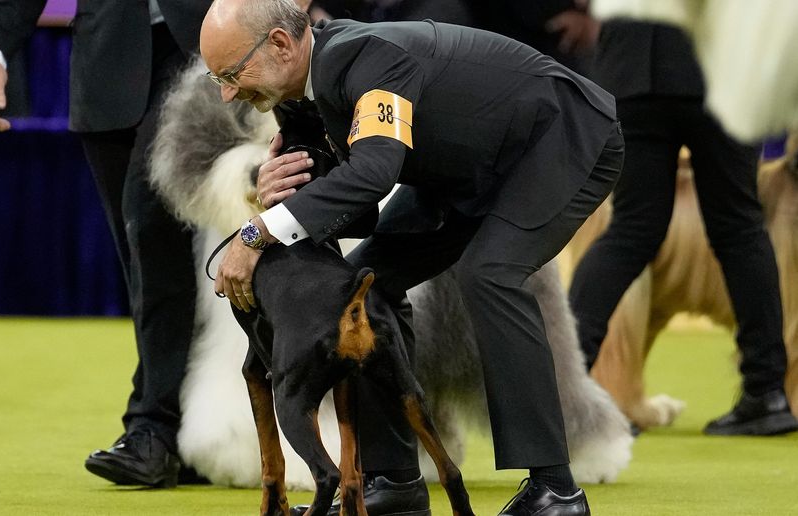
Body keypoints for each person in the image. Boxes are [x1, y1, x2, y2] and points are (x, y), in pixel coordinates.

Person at [201, 0, 623, 514]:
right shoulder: (293, 95)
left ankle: (555, 490)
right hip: (464, 168)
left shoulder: (369, 59)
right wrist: (279, 189)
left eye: (230, 72)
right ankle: (394, 480)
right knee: (360, 286)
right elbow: (352, 208)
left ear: (282, 45)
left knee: (491, 273)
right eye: (216, 78)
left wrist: (256, 234)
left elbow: (375, 173)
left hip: (562, 139)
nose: (226, 92)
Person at [0, 0, 212, 487]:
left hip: (204, 52)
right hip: (107, 67)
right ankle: (187, 433)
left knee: (149, 226)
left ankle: (152, 427)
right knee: (140, 257)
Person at [568, 19, 798, 437]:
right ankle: (766, 394)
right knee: (740, 229)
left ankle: (565, 389)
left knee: (631, 231)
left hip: (634, 65)